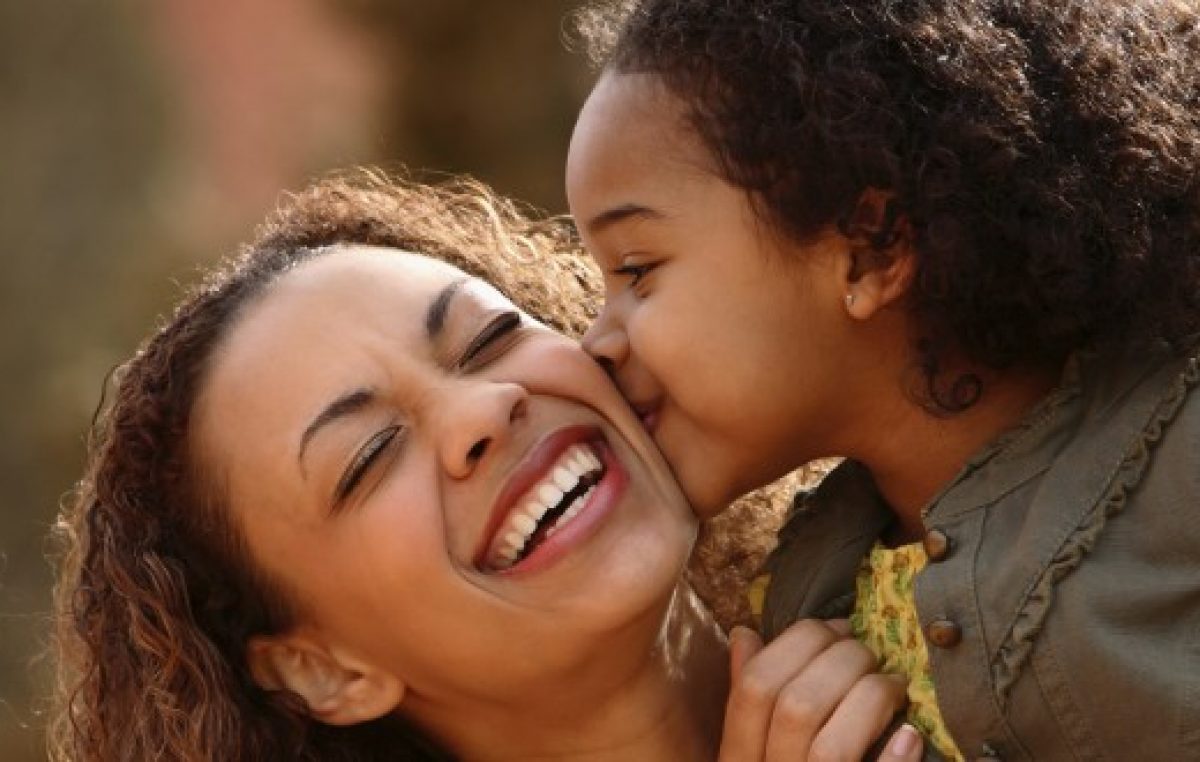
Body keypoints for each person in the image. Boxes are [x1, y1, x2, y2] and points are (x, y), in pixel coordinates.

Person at [49, 172, 921, 761]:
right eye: (370, 457)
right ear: (324, 668)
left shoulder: (935, 557)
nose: (481, 411)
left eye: (488, 339)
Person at [568, 1, 1200, 760]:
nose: (594, 342)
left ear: (871, 250)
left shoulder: (1176, 461)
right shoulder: (799, 609)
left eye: (637, 270)